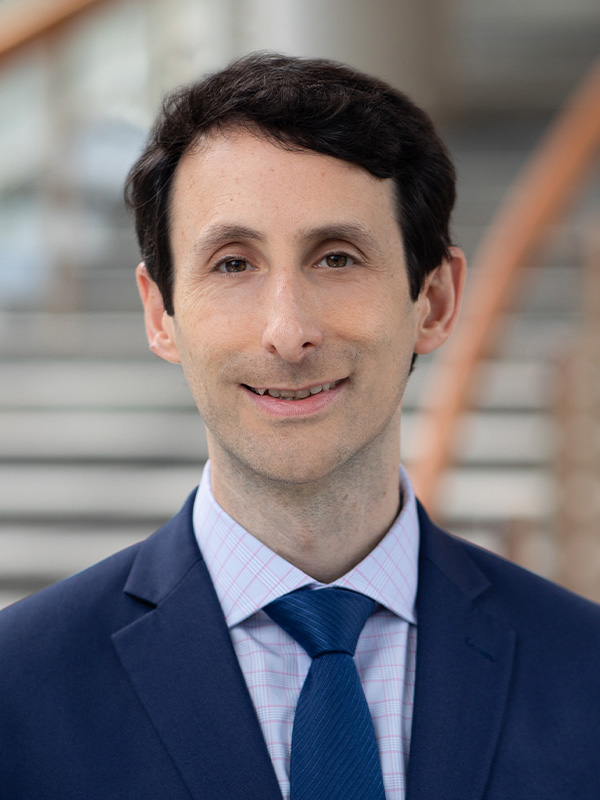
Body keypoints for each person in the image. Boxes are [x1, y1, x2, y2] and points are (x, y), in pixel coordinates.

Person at [0, 52, 599, 799]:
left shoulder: (585, 670)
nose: (287, 332)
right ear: (160, 314)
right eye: (233, 264)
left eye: (337, 258)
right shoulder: (17, 690)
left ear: (436, 301)